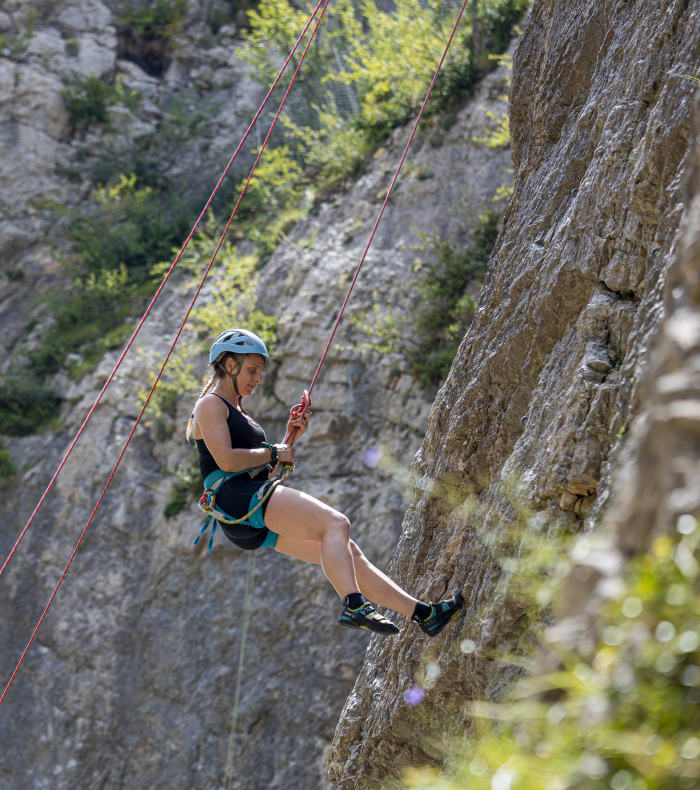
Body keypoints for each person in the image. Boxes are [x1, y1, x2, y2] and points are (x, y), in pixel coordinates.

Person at [187, 328, 464, 637]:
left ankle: (424, 614)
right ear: (230, 365)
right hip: (234, 497)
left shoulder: (240, 412)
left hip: (244, 503)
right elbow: (226, 461)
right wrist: (274, 451)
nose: (258, 379)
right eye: (252, 370)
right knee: (336, 524)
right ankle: (354, 605)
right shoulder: (210, 405)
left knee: (347, 551)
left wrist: (290, 439)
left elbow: (261, 470)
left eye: (260, 372)